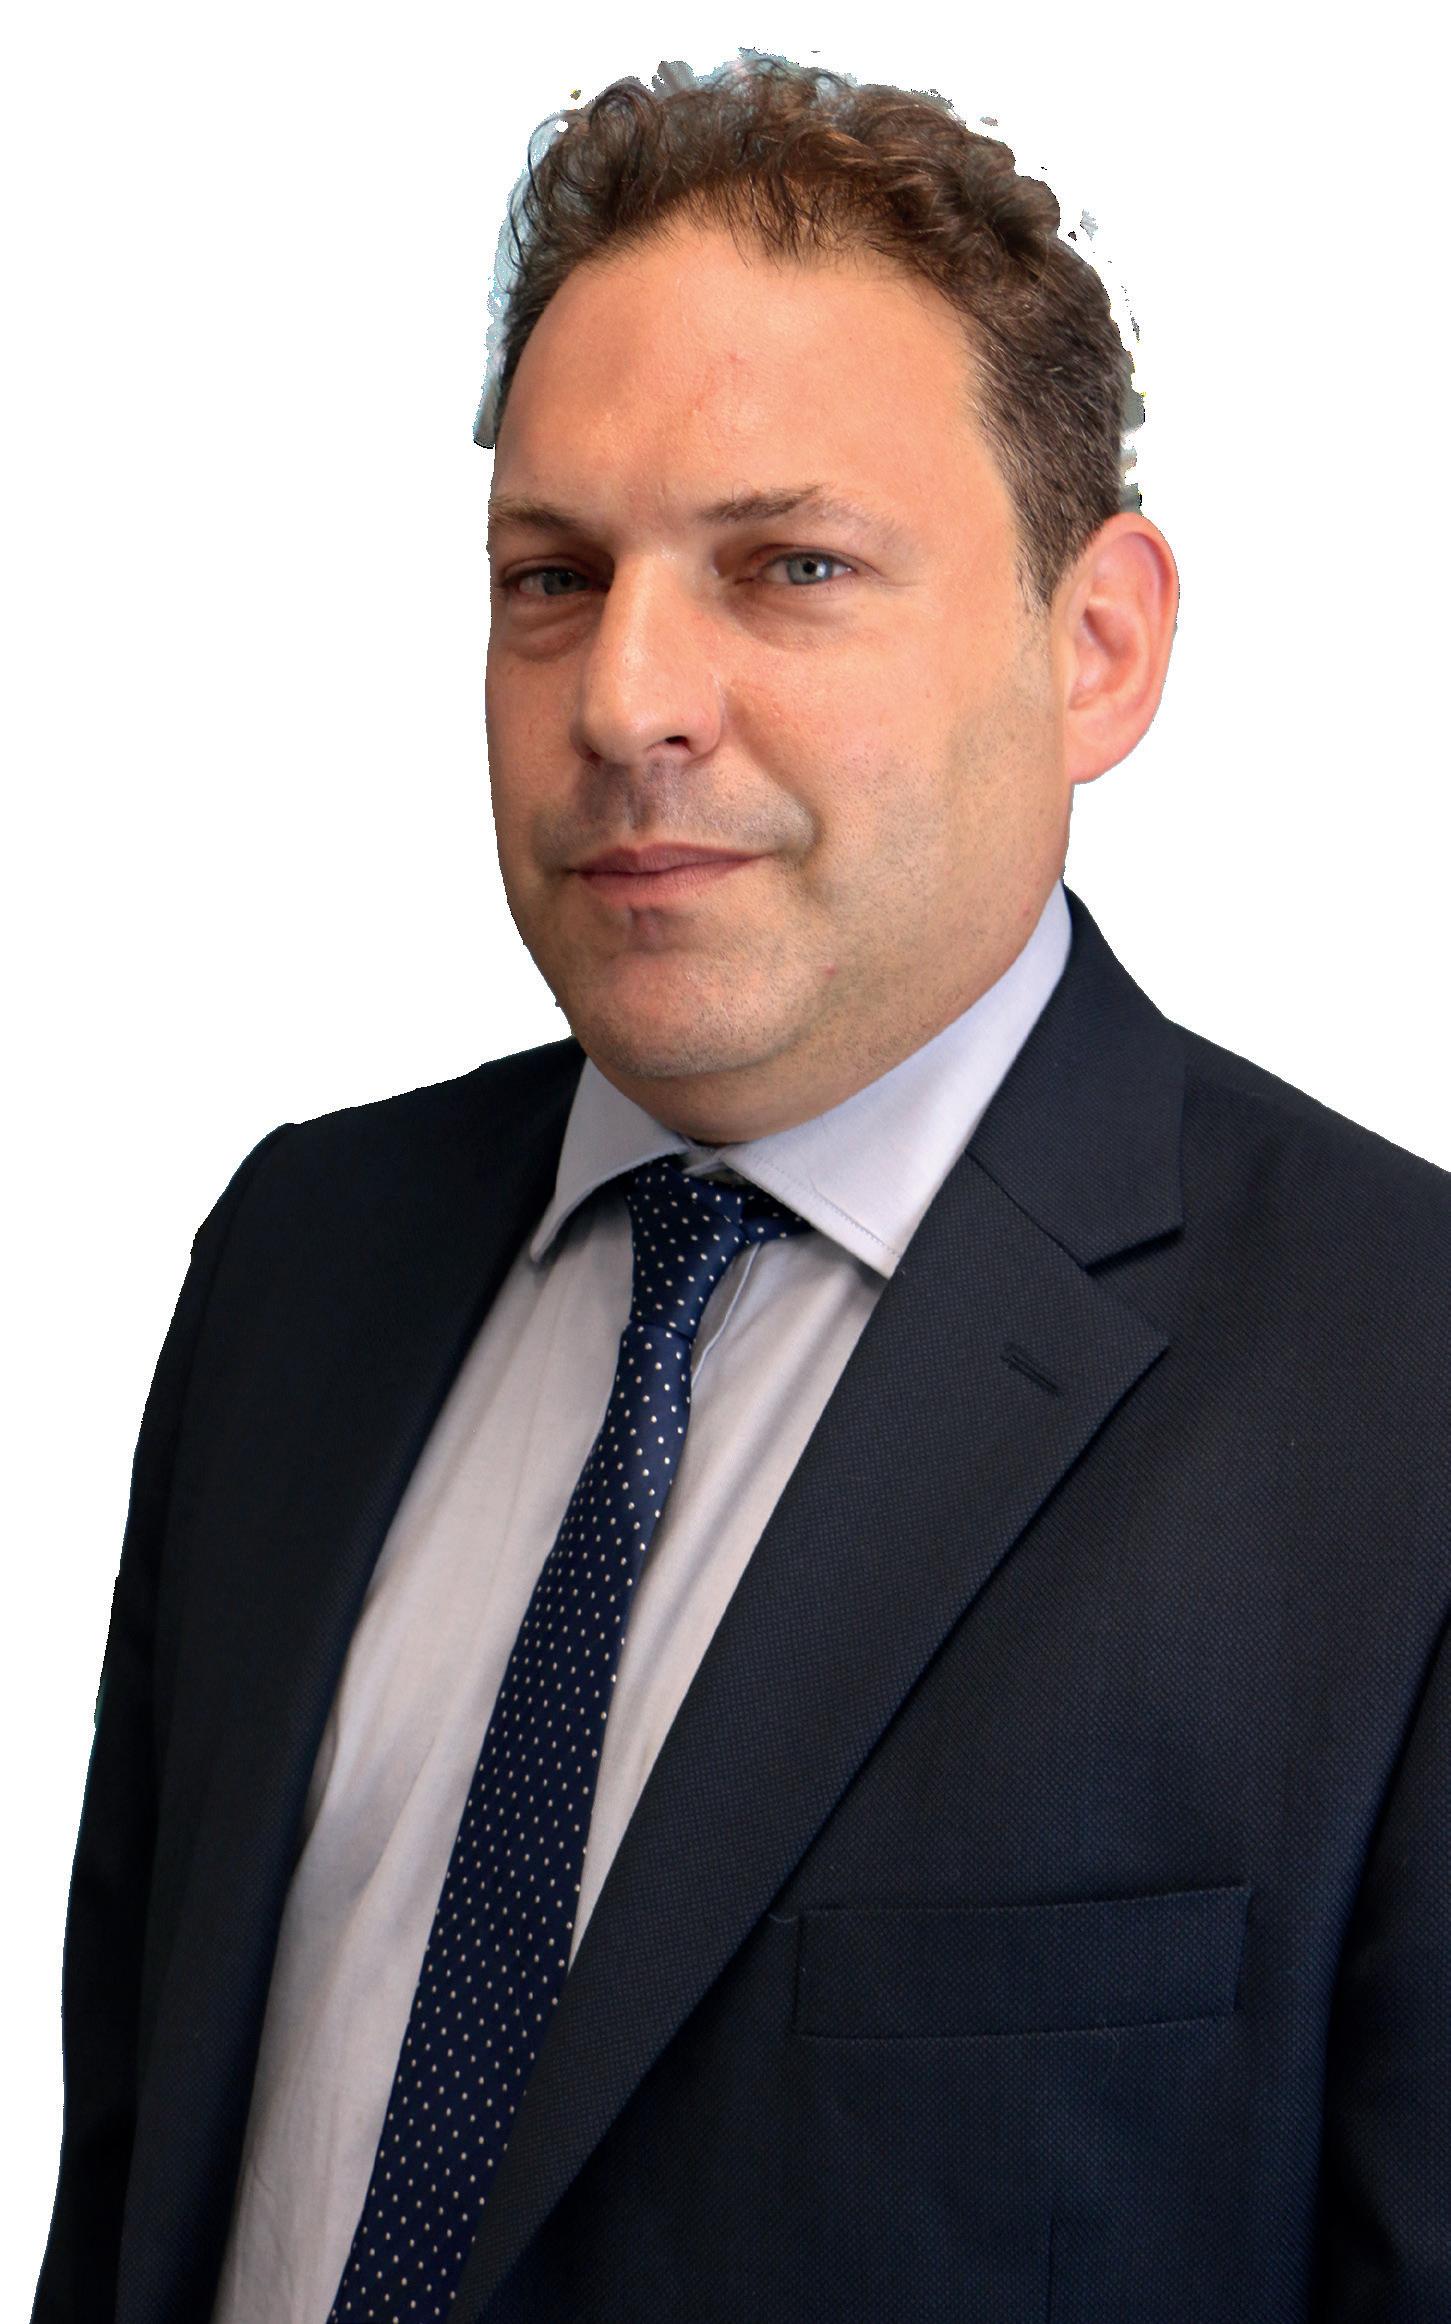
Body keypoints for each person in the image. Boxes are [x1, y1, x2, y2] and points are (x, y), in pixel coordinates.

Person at [32, 51, 1450, 2324]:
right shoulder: (299, 1264)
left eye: (789, 567)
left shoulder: (1403, 1393)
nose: (626, 698)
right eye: (552, 575)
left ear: (1098, 647)